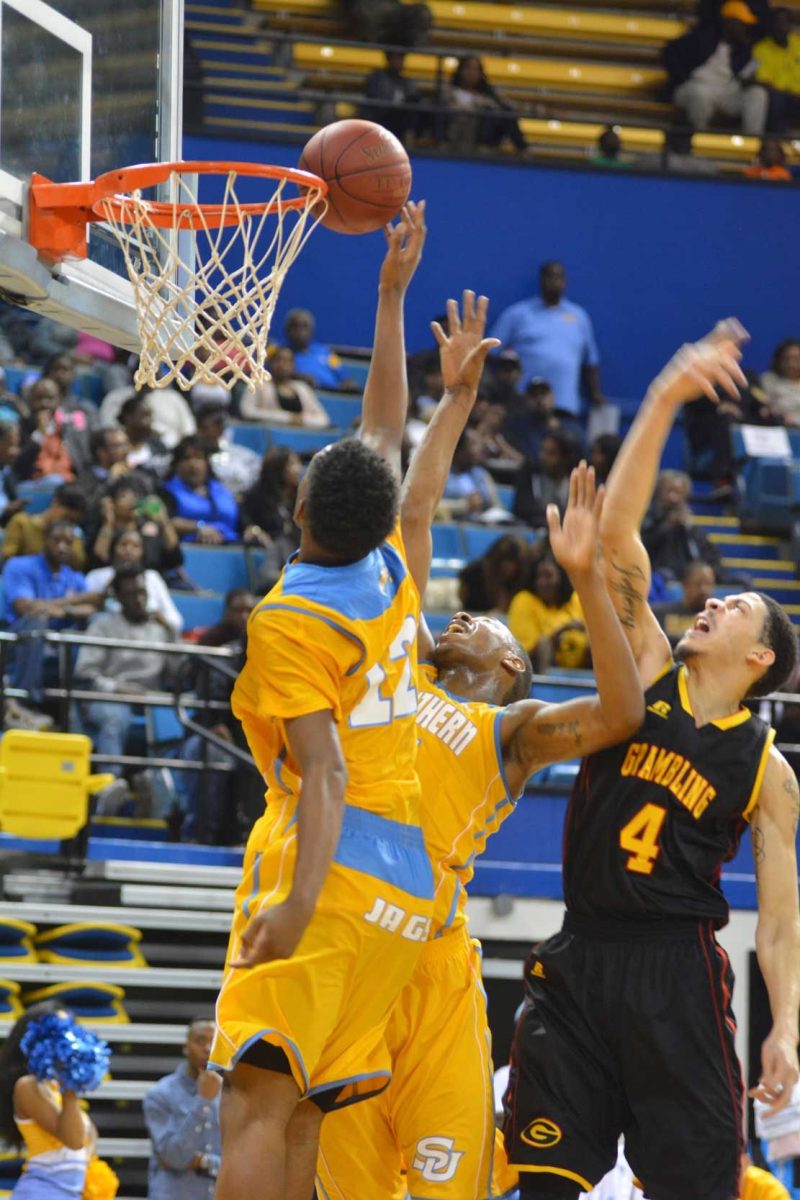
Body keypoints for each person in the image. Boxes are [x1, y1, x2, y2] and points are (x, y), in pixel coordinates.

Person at [316, 293, 644, 1200]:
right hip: (351, 953)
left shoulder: (514, 732)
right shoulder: (399, 671)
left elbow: (620, 711)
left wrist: (583, 578)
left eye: (484, 621)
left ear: (510, 666)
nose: (460, 611)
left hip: (432, 963)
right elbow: (411, 518)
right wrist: (455, 399)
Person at [504, 323, 800, 1200]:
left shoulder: (767, 769)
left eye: (737, 605)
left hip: (679, 972)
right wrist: (669, 389)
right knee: (547, 1180)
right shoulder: (649, 677)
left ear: (761, 660)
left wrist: (786, 1028)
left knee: (700, 1186)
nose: (713, 600)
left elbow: (779, 923)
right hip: (582, 953)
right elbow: (615, 537)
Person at [209, 202, 435, 1200]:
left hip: (325, 862)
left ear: (295, 511)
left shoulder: (291, 620)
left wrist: (297, 902)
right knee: (300, 1110)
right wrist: (391, 292)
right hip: (403, 874)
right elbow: (384, 427)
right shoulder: (388, 565)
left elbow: (324, 769)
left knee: (253, 1101)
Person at [75, 567, 178, 778]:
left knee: (179, 715)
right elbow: (85, 673)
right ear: (119, 598)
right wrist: (119, 689)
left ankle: (161, 791)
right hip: (109, 696)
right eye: (132, 594)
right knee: (115, 717)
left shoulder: (160, 629)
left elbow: (177, 675)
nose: (139, 599)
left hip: (151, 698)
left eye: (142, 593)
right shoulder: (102, 627)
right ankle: (111, 784)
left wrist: (171, 631)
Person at [177, 589, 257, 844]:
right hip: (211, 731)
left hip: (251, 736)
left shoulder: (266, 650)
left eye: (250, 611)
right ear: (225, 612)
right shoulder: (215, 648)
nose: (244, 617)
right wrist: (216, 723)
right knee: (212, 753)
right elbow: (209, 692)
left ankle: (250, 835)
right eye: (238, 610)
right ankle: (201, 836)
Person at [3, 521, 101, 726]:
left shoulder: (73, 576)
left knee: (96, 623)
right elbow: (26, 607)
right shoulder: (20, 565)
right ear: (44, 540)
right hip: (16, 640)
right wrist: (75, 603)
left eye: (68, 542)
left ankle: (85, 700)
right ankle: (23, 700)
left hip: (59, 642)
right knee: (36, 622)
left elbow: (93, 604)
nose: (62, 547)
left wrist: (64, 608)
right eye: (57, 540)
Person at [0, 1001, 95, 1199]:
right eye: (57, 1032)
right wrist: (70, 1087)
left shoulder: (56, 1086)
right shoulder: (28, 1086)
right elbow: (74, 1141)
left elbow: (89, 1136)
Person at [491, 262, 603, 416]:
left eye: (559, 277)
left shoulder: (579, 317)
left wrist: (595, 393)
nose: (554, 282)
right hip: (523, 404)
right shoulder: (517, 314)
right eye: (550, 276)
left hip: (565, 406)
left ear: (565, 281)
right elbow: (489, 353)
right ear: (541, 280)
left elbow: (590, 362)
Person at [143, 1017, 221, 1200]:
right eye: (200, 1041)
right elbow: (174, 1157)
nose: (208, 1048)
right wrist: (203, 1101)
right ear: (186, 1046)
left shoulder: (232, 1095)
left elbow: (240, 1163)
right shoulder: (160, 1094)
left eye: (214, 1041)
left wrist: (203, 1162)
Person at [664, 0, 768, 135]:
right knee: (700, 94)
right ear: (729, 22)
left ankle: (753, 140)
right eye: (741, 24)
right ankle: (698, 139)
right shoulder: (702, 38)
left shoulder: (744, 49)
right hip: (695, 86)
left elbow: (744, 76)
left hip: (726, 92)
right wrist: (681, 77)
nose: (745, 28)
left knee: (758, 93)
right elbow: (670, 51)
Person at [84, 528, 183, 636]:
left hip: (149, 636)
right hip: (111, 636)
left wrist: (160, 619)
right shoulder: (96, 576)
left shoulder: (152, 577)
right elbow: (88, 614)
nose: (129, 550)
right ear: (114, 547)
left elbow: (176, 621)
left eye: (135, 546)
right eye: (123, 544)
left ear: (143, 551)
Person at [508, 554, 588, 671]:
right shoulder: (524, 600)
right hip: (538, 668)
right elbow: (524, 655)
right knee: (544, 644)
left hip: (581, 665)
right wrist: (559, 633)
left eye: (548, 576)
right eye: (539, 577)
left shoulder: (576, 599)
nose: (542, 582)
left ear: (561, 578)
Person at [642, 468, 724, 581]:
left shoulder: (691, 527)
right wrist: (667, 526)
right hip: (659, 574)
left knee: (741, 580)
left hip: (690, 575)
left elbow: (711, 555)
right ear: (659, 492)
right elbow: (643, 547)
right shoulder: (648, 518)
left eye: (679, 492)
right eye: (670, 491)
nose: (674, 498)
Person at [91, 477, 183, 575]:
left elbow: (174, 558)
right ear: (111, 503)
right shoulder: (104, 529)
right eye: (124, 496)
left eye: (135, 496)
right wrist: (107, 522)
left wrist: (163, 519)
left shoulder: (148, 531)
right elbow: (98, 561)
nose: (131, 501)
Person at [240, 447, 302, 589]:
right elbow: (246, 522)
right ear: (278, 468)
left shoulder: (300, 497)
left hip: (296, 551)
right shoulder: (257, 495)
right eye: (292, 464)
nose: (298, 469)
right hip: (272, 551)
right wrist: (254, 529)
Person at [160, 437, 240, 544]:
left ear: (207, 463)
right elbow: (166, 521)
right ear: (176, 465)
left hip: (231, 546)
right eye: (186, 458)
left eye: (199, 457)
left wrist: (252, 529)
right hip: (189, 547)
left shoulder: (223, 490)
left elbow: (241, 521)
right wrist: (199, 527)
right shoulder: (166, 492)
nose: (193, 464)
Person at [442, 55, 527, 153]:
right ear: (460, 71)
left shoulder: (489, 99)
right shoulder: (448, 94)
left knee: (505, 112)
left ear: (481, 73)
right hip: (453, 138)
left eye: (475, 69)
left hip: (480, 143)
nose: (471, 73)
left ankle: (522, 150)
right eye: (468, 68)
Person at [2, 482, 87, 570]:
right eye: (66, 518)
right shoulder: (22, 523)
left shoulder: (72, 535)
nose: (67, 524)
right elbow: (7, 559)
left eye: (73, 522)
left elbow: (79, 565)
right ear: (55, 503)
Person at [239, 348, 330, 428]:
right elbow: (247, 411)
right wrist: (287, 418)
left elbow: (324, 420)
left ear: (294, 366)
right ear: (270, 363)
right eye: (278, 360)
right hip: (270, 435)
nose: (282, 365)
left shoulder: (303, 388)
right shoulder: (258, 384)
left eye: (288, 361)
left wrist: (301, 420)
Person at [513, 427, 584, 529]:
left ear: (565, 459)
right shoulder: (529, 472)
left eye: (551, 453)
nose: (543, 457)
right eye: (543, 451)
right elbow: (522, 508)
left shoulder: (576, 479)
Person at [99, 381, 196, 448]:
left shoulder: (173, 397)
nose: (148, 421)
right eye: (143, 416)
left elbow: (189, 431)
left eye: (148, 416)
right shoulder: (115, 397)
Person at [281, 309, 358, 392]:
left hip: (334, 393)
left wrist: (348, 383)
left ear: (311, 331)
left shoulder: (325, 352)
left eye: (304, 326)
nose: (299, 331)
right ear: (287, 330)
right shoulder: (281, 353)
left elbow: (344, 377)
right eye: (294, 326)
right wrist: (298, 378)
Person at [194, 405, 261, 499]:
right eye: (199, 428)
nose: (201, 433)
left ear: (220, 429)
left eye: (206, 428)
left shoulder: (242, 455)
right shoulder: (192, 460)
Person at [441, 427, 505, 518]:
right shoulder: (442, 475)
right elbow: (434, 506)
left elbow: (497, 506)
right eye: (472, 445)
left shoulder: (482, 474)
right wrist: (465, 505)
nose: (477, 450)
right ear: (458, 449)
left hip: (482, 525)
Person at [754, 8, 800, 131]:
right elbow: (764, 80)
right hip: (780, 96)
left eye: (784, 23)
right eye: (777, 23)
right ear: (771, 26)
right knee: (776, 100)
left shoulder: (798, 44)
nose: (781, 27)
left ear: (790, 26)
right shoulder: (761, 49)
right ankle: (776, 140)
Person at [652, 560, 717, 646]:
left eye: (708, 584)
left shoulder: (717, 619)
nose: (703, 590)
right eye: (698, 584)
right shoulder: (659, 613)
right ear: (685, 585)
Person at [363, 51, 422, 144]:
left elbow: (413, 98)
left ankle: (411, 141)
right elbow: (374, 99)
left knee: (415, 105)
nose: (399, 62)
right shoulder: (377, 78)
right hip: (383, 115)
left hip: (401, 116)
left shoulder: (406, 81)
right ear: (389, 60)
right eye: (396, 59)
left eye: (401, 60)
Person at [761, 338, 800, 424]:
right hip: (781, 427)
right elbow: (764, 407)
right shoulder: (769, 380)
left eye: (797, 359)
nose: (791, 364)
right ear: (779, 360)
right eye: (787, 359)